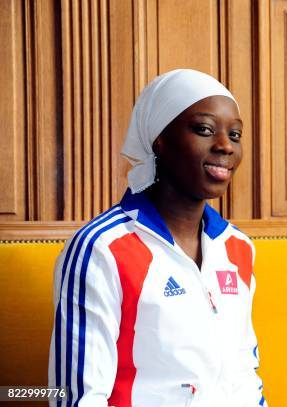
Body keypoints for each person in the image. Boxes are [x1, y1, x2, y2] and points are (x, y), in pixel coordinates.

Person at [48, 69, 267, 406]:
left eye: (235, 135)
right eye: (204, 130)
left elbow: (244, 371)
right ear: (159, 141)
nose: (225, 145)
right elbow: (77, 397)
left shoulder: (238, 248)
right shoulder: (102, 248)